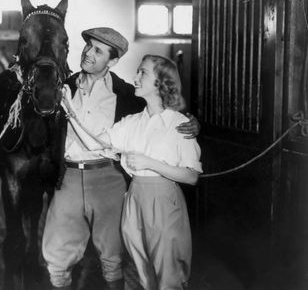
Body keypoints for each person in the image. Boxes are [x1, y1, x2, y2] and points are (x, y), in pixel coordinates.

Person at [42, 28, 200, 290]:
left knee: (116, 258)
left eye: (98, 50)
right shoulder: (62, 88)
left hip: (109, 179)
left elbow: (165, 115)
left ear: (112, 61)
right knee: (57, 257)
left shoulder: (126, 94)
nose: (88, 53)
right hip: (68, 178)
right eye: (88, 46)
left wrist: (194, 125)